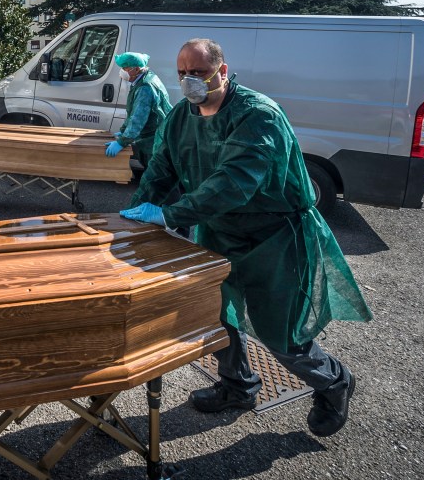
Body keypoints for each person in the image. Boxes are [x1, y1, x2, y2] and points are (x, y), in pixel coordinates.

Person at [121, 38, 372, 438]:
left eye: (199, 72)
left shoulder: (258, 116)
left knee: (281, 331)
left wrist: (170, 214)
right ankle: (237, 386)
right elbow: (161, 168)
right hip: (218, 229)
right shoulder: (182, 116)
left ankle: (333, 381)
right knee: (217, 314)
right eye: (182, 73)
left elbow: (234, 182)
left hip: (274, 235)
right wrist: (137, 213)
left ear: (222, 71)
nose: (189, 81)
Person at [104, 52, 172, 167]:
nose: (122, 72)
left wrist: (122, 142)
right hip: (154, 135)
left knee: (155, 174)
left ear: (136, 69)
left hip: (153, 139)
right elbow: (133, 111)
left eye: (125, 68)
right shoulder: (145, 78)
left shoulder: (145, 88)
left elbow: (138, 118)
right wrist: (124, 130)